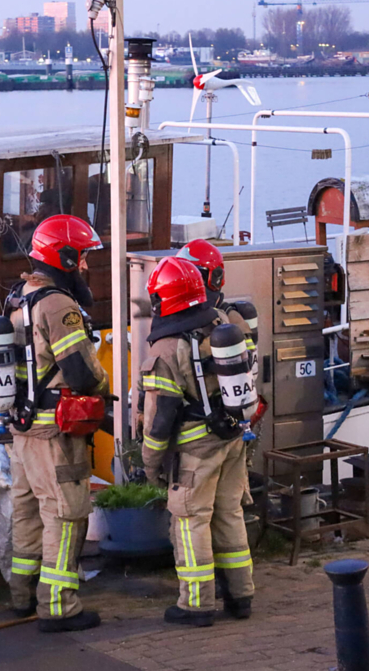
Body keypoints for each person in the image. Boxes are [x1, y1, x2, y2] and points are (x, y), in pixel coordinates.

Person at [1, 214, 108, 633]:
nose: (84, 266)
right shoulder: (59, 304)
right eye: (81, 257)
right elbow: (81, 373)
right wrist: (102, 383)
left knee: (27, 509)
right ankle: (59, 605)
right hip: (54, 431)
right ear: (63, 256)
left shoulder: (21, 295)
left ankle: (21, 594)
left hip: (22, 428)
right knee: (65, 512)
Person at [140, 256, 255, 628]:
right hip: (233, 438)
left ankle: (196, 604)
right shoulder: (220, 322)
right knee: (230, 514)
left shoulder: (165, 350)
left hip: (195, 451)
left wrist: (151, 465)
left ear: (164, 299)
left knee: (191, 521)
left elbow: (159, 420)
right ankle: (241, 596)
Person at [176, 239, 260, 368]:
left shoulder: (232, 321)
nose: (191, 283)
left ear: (214, 278)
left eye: (198, 276)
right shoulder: (177, 314)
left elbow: (247, 371)